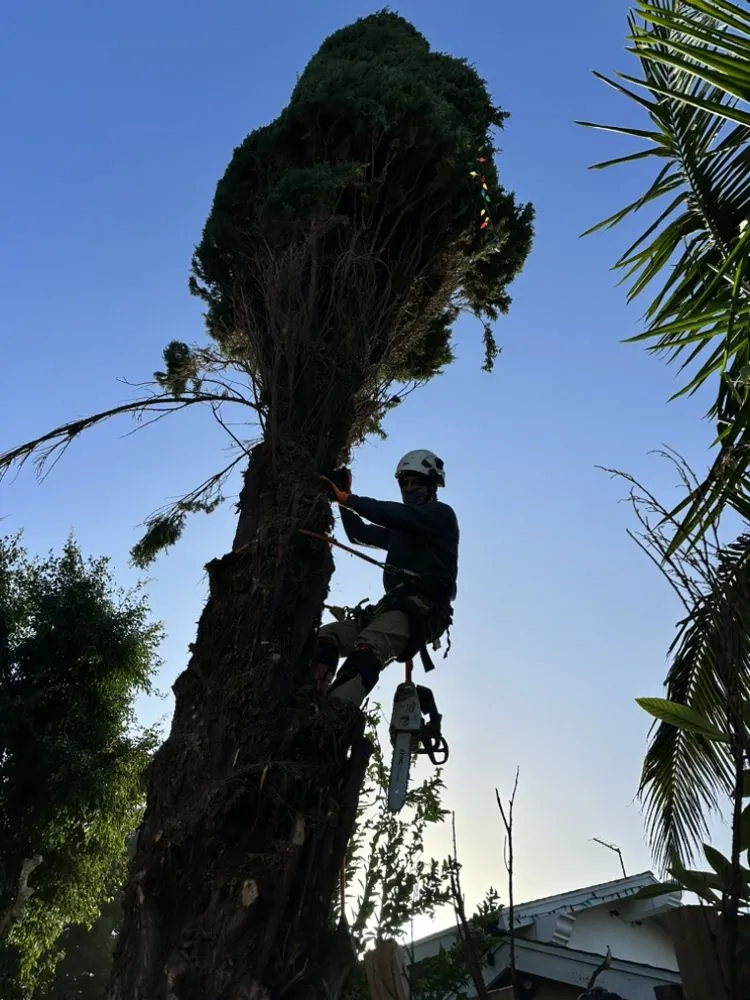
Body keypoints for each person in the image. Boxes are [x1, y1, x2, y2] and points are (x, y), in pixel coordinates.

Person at [314, 449, 459, 707]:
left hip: (421, 610)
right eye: (405, 483)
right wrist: (341, 498)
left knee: (370, 644)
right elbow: (359, 534)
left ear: (431, 485)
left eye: (416, 482)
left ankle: (334, 716)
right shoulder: (400, 531)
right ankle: (310, 696)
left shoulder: (441, 516)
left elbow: (396, 514)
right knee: (327, 637)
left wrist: (349, 499)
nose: (410, 488)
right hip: (391, 608)